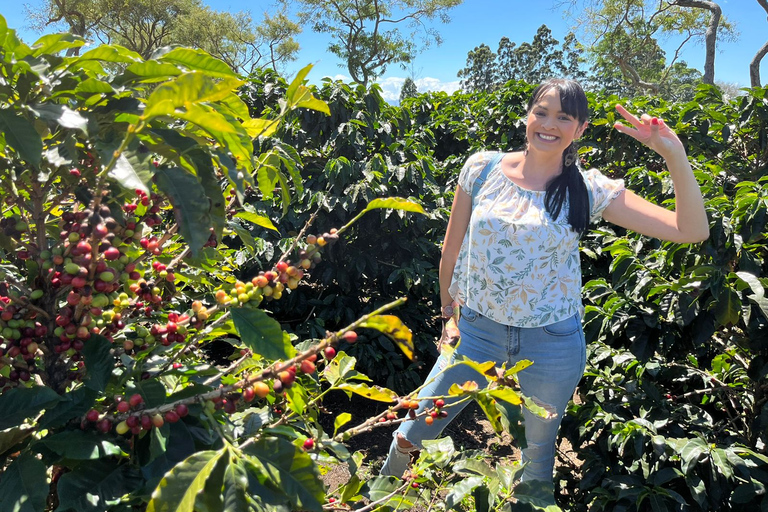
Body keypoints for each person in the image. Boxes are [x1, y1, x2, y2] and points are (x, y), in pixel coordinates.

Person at [379, 78, 709, 486]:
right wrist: (448, 313)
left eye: (563, 117)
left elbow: (690, 229)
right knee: (414, 430)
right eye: (542, 111)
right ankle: (379, 494)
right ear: (527, 116)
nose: (549, 124)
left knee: (536, 455)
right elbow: (451, 250)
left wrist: (674, 155)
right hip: (477, 332)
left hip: (551, 341)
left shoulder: (588, 189)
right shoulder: (482, 168)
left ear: (580, 129)